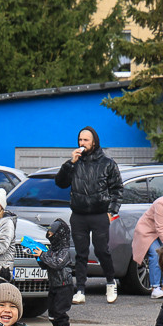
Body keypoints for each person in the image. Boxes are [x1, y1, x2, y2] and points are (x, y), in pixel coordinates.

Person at [55, 126, 123, 305]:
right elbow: (60, 183)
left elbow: (117, 189)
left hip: (99, 214)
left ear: (94, 142)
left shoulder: (107, 163)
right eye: (80, 140)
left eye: (86, 140)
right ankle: (80, 290)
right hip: (79, 214)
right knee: (81, 253)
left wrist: (111, 212)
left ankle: (110, 282)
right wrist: (70, 163)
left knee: (102, 250)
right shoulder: (75, 163)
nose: (82, 143)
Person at [36, 218, 73, 326]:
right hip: (54, 284)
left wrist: (43, 255)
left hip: (64, 285)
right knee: (51, 310)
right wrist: (39, 257)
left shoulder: (65, 250)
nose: (50, 236)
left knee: (59, 310)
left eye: (52, 234)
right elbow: (46, 265)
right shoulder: (52, 249)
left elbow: (56, 263)